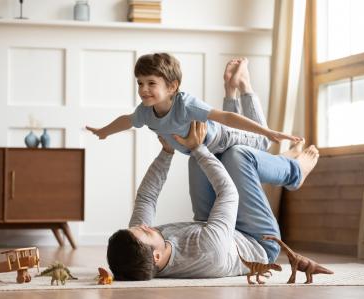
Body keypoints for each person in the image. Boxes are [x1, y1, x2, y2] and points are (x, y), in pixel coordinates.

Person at [106, 120, 318, 281]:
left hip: (211, 226)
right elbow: (228, 193)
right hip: (258, 241)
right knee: (237, 156)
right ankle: (294, 171)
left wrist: (167, 152)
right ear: (157, 258)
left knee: (199, 161)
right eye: (144, 231)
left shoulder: (139, 245)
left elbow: (146, 198)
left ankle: (278, 159)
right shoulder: (207, 250)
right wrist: (198, 149)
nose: (144, 226)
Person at [86, 53, 301, 156]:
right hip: (207, 149)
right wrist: (105, 131)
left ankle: (243, 86)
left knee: (264, 143)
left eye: (151, 83)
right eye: (140, 83)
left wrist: (267, 131)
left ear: (172, 86)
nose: (143, 89)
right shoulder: (145, 112)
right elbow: (127, 121)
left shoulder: (185, 104)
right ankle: (231, 87)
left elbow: (225, 118)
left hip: (222, 137)